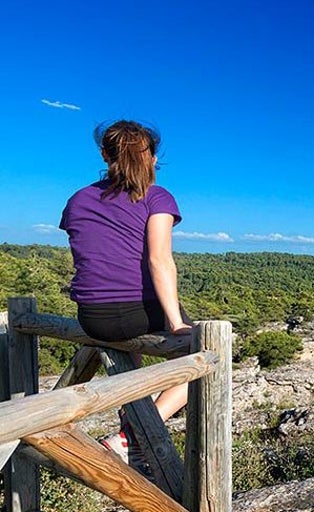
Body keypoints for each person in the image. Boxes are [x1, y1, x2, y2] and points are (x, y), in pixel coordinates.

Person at [59, 120, 191, 465]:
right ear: (153, 158)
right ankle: (132, 436)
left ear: (104, 154)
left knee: (131, 365)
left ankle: (131, 427)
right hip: (137, 312)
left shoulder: (77, 200)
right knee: (205, 361)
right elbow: (160, 261)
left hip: (93, 318)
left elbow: (90, 252)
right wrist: (176, 324)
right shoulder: (157, 197)